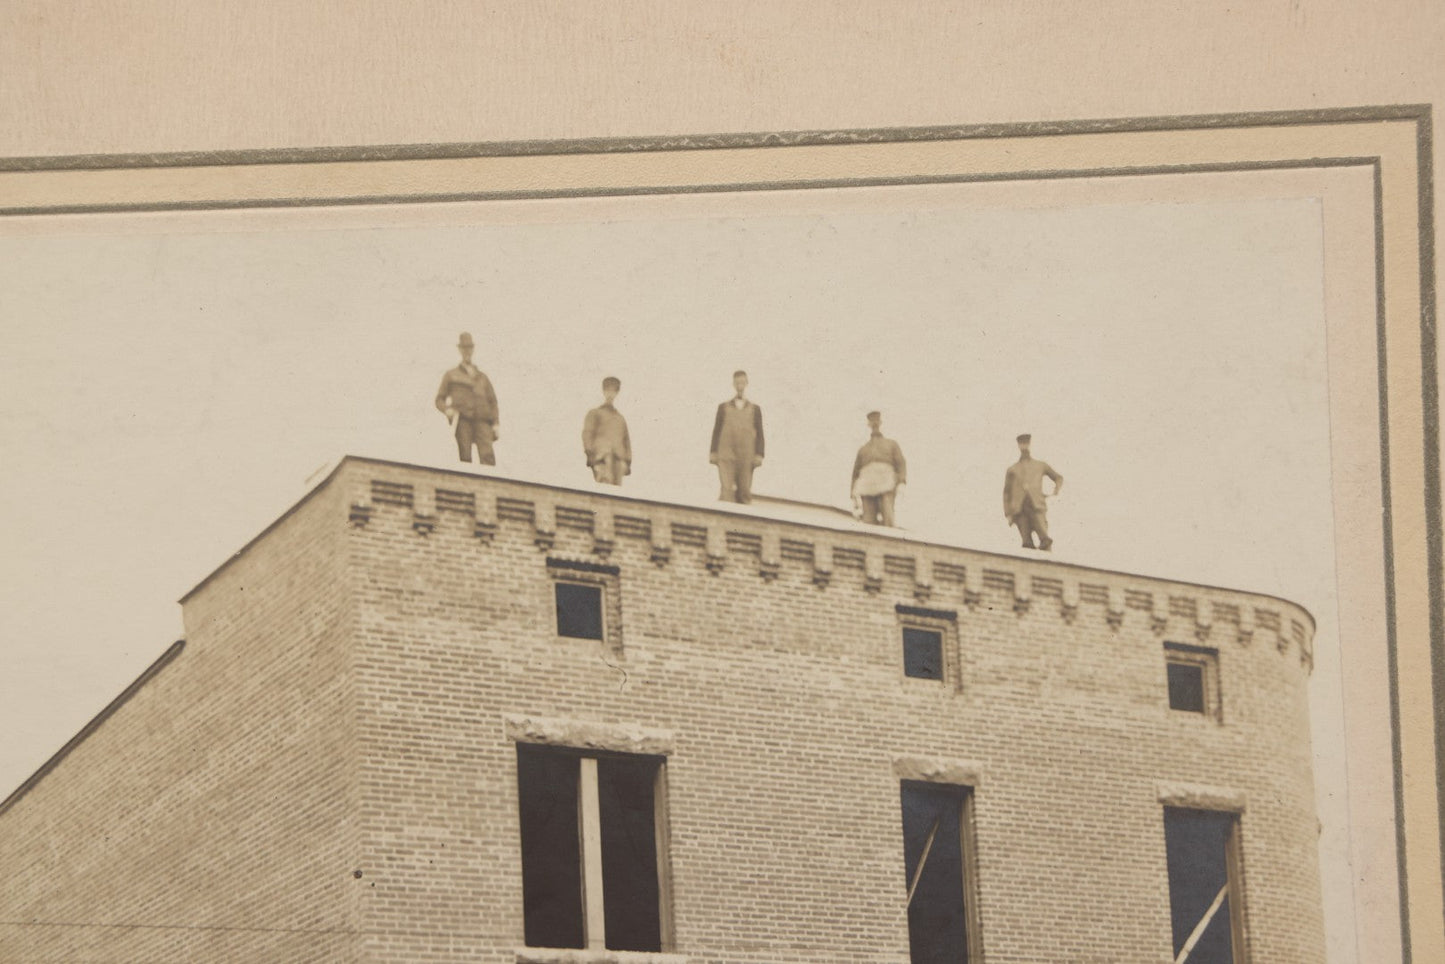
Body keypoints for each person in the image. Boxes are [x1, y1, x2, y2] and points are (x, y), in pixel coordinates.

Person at [434, 332, 499, 465]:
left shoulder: (482, 377)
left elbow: (493, 402)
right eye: (464, 348)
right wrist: (447, 410)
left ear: (473, 350)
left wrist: (496, 424)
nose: (467, 351)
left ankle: (487, 485)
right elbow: (439, 399)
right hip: (463, 420)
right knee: (465, 457)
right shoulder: (451, 375)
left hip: (483, 421)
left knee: (488, 456)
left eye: (469, 348)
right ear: (460, 350)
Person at [709, 370, 764, 503]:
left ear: (746, 383)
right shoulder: (723, 407)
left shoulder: (755, 409)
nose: (740, 385)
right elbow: (716, 430)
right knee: (726, 490)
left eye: (743, 382)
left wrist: (759, 454)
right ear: (733, 384)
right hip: (726, 453)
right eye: (737, 382)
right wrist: (713, 452)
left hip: (746, 454)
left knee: (744, 490)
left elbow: (760, 433)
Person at [1003, 433, 1063, 550]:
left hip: (1036, 506)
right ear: (1019, 446)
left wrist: (1055, 490)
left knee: (1045, 539)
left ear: (1029, 444)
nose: (1024, 446)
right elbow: (1006, 494)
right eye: (1021, 444)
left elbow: (1058, 478)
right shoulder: (1012, 469)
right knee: (1027, 543)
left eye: (1026, 443)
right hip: (1020, 509)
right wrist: (1008, 514)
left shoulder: (1040, 465)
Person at [851, 411, 907, 526]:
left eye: (876, 421)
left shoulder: (891, 444)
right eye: (872, 422)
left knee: (888, 517)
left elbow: (901, 463)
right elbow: (855, 473)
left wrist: (902, 481)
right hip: (867, 485)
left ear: (880, 423)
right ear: (869, 425)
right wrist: (853, 493)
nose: (874, 424)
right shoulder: (863, 449)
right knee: (868, 522)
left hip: (886, 482)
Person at [582, 376, 632, 485]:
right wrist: (589, 453)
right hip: (601, 456)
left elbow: (626, 440)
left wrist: (628, 460)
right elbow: (588, 433)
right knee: (604, 483)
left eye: (614, 391)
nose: (610, 394)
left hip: (619, 457)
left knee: (616, 489)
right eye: (608, 390)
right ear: (604, 391)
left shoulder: (620, 418)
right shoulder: (595, 413)